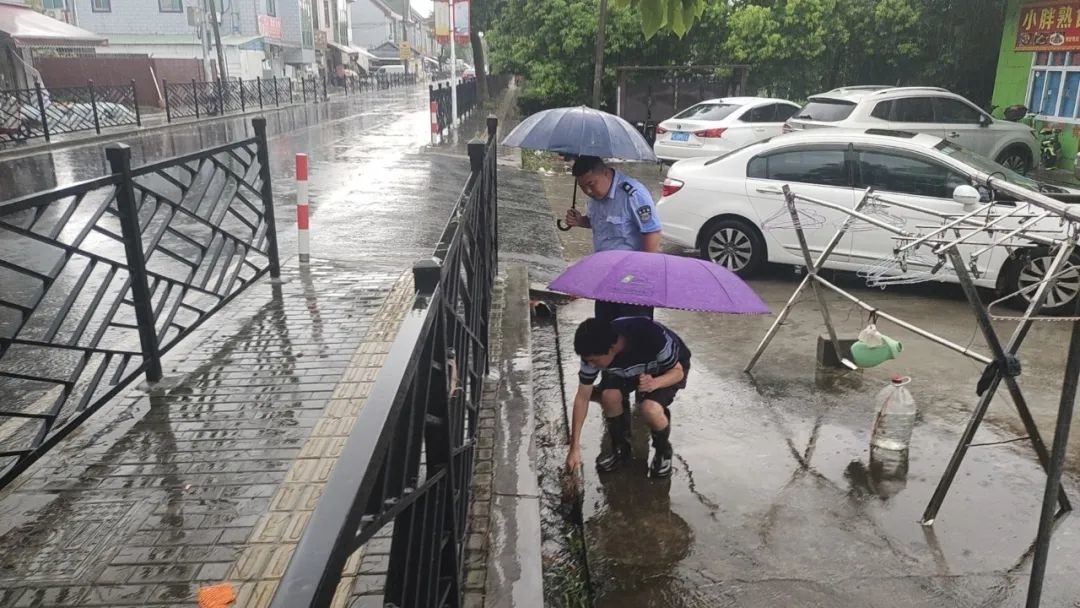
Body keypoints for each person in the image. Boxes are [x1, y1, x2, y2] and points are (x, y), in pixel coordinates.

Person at [565, 316, 691, 478]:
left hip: (664, 370)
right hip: (624, 370)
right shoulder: (593, 350)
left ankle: (663, 451)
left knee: (650, 409)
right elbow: (582, 397)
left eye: (594, 361)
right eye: (587, 361)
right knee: (609, 396)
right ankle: (620, 448)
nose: (591, 365)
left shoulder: (653, 337)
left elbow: (678, 373)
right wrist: (574, 448)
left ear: (612, 349)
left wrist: (655, 383)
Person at [562, 155, 662, 322]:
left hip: (632, 279)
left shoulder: (633, 194)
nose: (588, 191)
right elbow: (600, 224)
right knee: (605, 328)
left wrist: (640, 271)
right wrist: (580, 221)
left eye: (591, 184)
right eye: (582, 186)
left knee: (633, 330)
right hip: (606, 276)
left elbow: (653, 232)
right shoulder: (594, 199)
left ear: (605, 173)